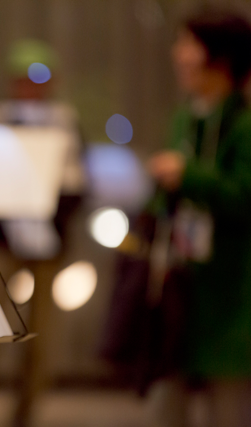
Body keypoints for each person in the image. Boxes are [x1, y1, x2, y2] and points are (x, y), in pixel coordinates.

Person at [147, 7, 251, 427]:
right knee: (167, 403)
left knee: (230, 405)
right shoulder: (185, 118)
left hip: (232, 290)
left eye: (189, 44)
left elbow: (244, 196)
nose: (179, 55)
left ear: (220, 57)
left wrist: (188, 176)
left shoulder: (244, 126)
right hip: (182, 285)